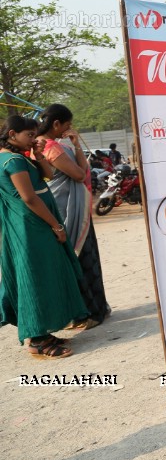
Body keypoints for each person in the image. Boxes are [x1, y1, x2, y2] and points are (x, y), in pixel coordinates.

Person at [0, 115, 89, 358]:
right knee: (35, 279)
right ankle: (37, 339)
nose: (33, 139)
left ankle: (42, 333)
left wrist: (38, 155)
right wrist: (56, 226)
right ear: (12, 135)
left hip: (33, 224)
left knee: (43, 275)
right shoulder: (12, 161)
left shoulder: (17, 157)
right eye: (29, 135)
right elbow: (29, 198)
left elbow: (47, 175)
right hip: (32, 226)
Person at [38, 104, 110, 328]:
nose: (70, 129)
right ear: (56, 124)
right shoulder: (50, 147)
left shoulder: (47, 145)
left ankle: (87, 313)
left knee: (77, 260)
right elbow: (80, 174)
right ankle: (89, 312)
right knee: (80, 260)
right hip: (68, 211)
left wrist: (76, 145)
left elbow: (83, 169)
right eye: (67, 125)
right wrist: (74, 147)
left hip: (67, 209)